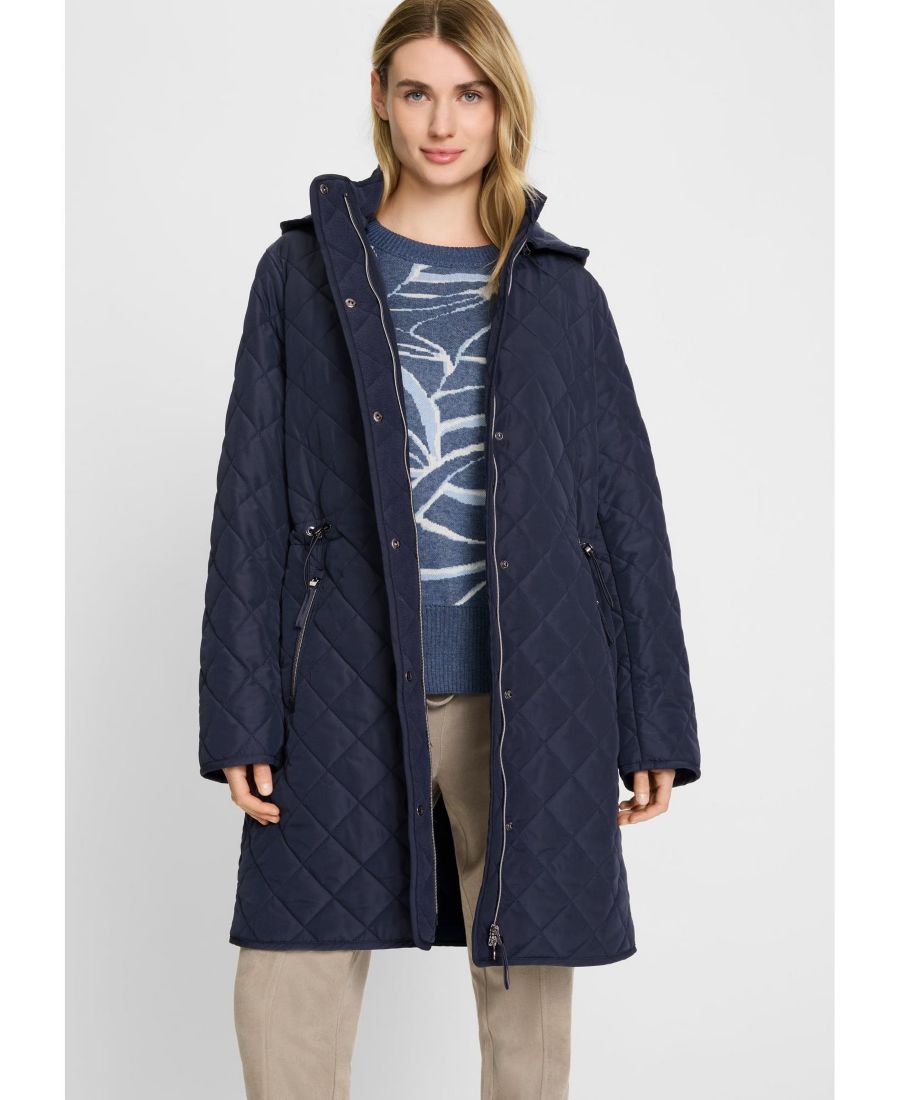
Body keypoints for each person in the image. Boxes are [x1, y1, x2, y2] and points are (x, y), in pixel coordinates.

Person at [197, 1, 702, 1096]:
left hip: (530, 691)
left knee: (528, 1006)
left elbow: (622, 513)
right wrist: (240, 712)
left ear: (503, 105)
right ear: (380, 98)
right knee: (287, 988)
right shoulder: (299, 276)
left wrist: (653, 718)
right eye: (418, 91)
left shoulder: (563, 293)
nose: (442, 122)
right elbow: (250, 502)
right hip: (338, 680)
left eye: (469, 94)